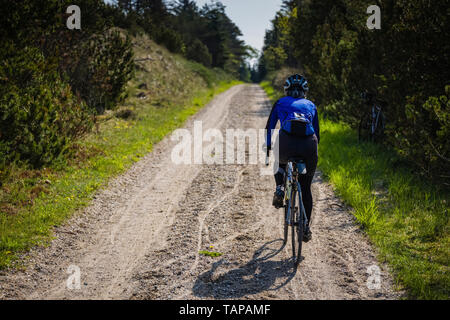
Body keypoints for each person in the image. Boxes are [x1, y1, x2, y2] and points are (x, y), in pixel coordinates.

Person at [265, 74, 319, 242]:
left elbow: (270, 127)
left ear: (286, 90)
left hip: (286, 142)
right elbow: (317, 132)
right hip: (309, 145)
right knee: (306, 187)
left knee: (278, 162)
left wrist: (267, 147)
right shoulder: (311, 105)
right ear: (305, 92)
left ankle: (280, 187)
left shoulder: (280, 102)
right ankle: (305, 227)